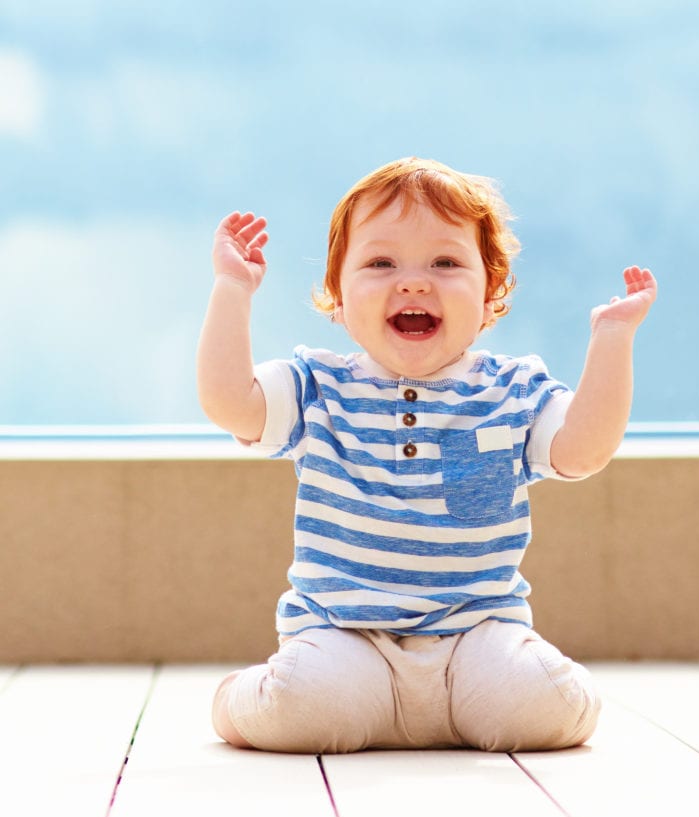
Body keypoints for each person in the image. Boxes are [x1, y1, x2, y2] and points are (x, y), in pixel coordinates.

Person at [197, 157, 657, 753]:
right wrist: (233, 290)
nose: (413, 282)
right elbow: (230, 402)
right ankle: (245, 696)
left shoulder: (512, 391)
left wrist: (613, 341)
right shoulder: (317, 386)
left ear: (492, 294)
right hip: (346, 636)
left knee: (548, 711)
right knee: (301, 709)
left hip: (477, 637)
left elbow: (585, 450)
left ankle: (479, 705)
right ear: (337, 296)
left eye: (445, 262)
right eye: (380, 263)